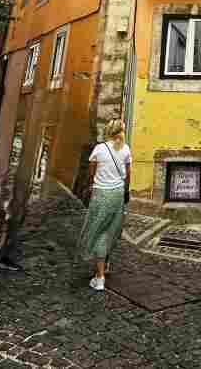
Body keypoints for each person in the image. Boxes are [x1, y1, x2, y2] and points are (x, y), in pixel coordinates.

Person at [76, 119, 131, 291]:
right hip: (117, 195)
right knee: (112, 229)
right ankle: (105, 263)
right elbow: (128, 175)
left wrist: (92, 184)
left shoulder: (99, 149)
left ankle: (100, 278)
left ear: (108, 131)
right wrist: (125, 191)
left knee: (99, 231)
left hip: (101, 195)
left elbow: (91, 171)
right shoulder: (125, 149)